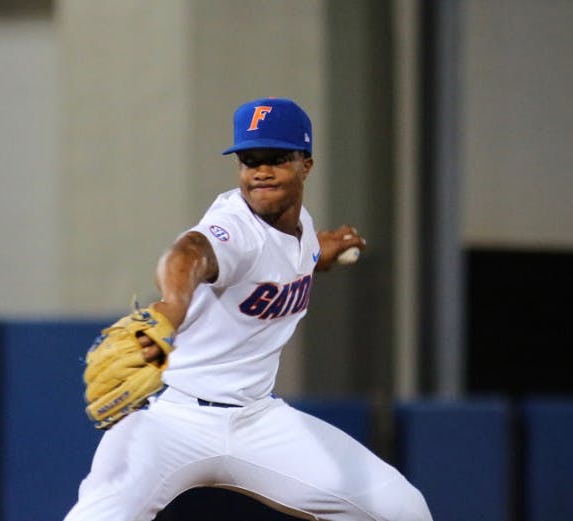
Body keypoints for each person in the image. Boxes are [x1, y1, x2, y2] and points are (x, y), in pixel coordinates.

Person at [64, 97, 432, 521]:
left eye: (275, 158)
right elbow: (189, 254)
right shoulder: (233, 227)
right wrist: (170, 309)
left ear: (305, 165)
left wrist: (323, 251)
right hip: (173, 420)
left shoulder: (301, 228)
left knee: (403, 509)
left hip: (258, 420)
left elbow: (294, 257)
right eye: (249, 159)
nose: (260, 171)